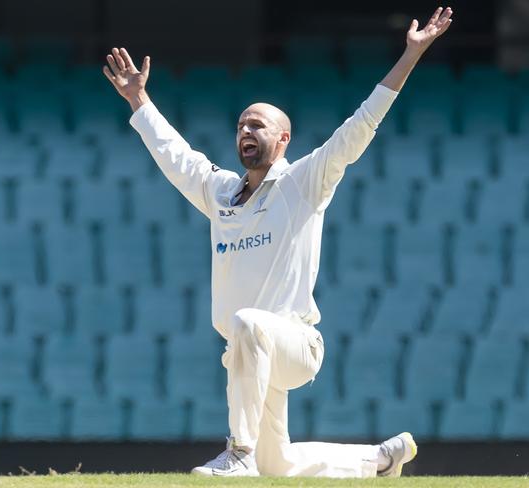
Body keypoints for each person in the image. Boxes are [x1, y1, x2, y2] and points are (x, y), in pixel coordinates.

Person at [102, 6, 452, 478]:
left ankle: (239, 453)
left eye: (258, 125)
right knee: (280, 464)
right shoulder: (221, 191)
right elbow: (175, 156)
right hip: (248, 354)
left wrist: (410, 54)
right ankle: (381, 459)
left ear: (283, 139)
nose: (246, 130)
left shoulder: (304, 182)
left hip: (295, 343)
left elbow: (361, 126)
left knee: (248, 324)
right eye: (242, 125)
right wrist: (138, 101)